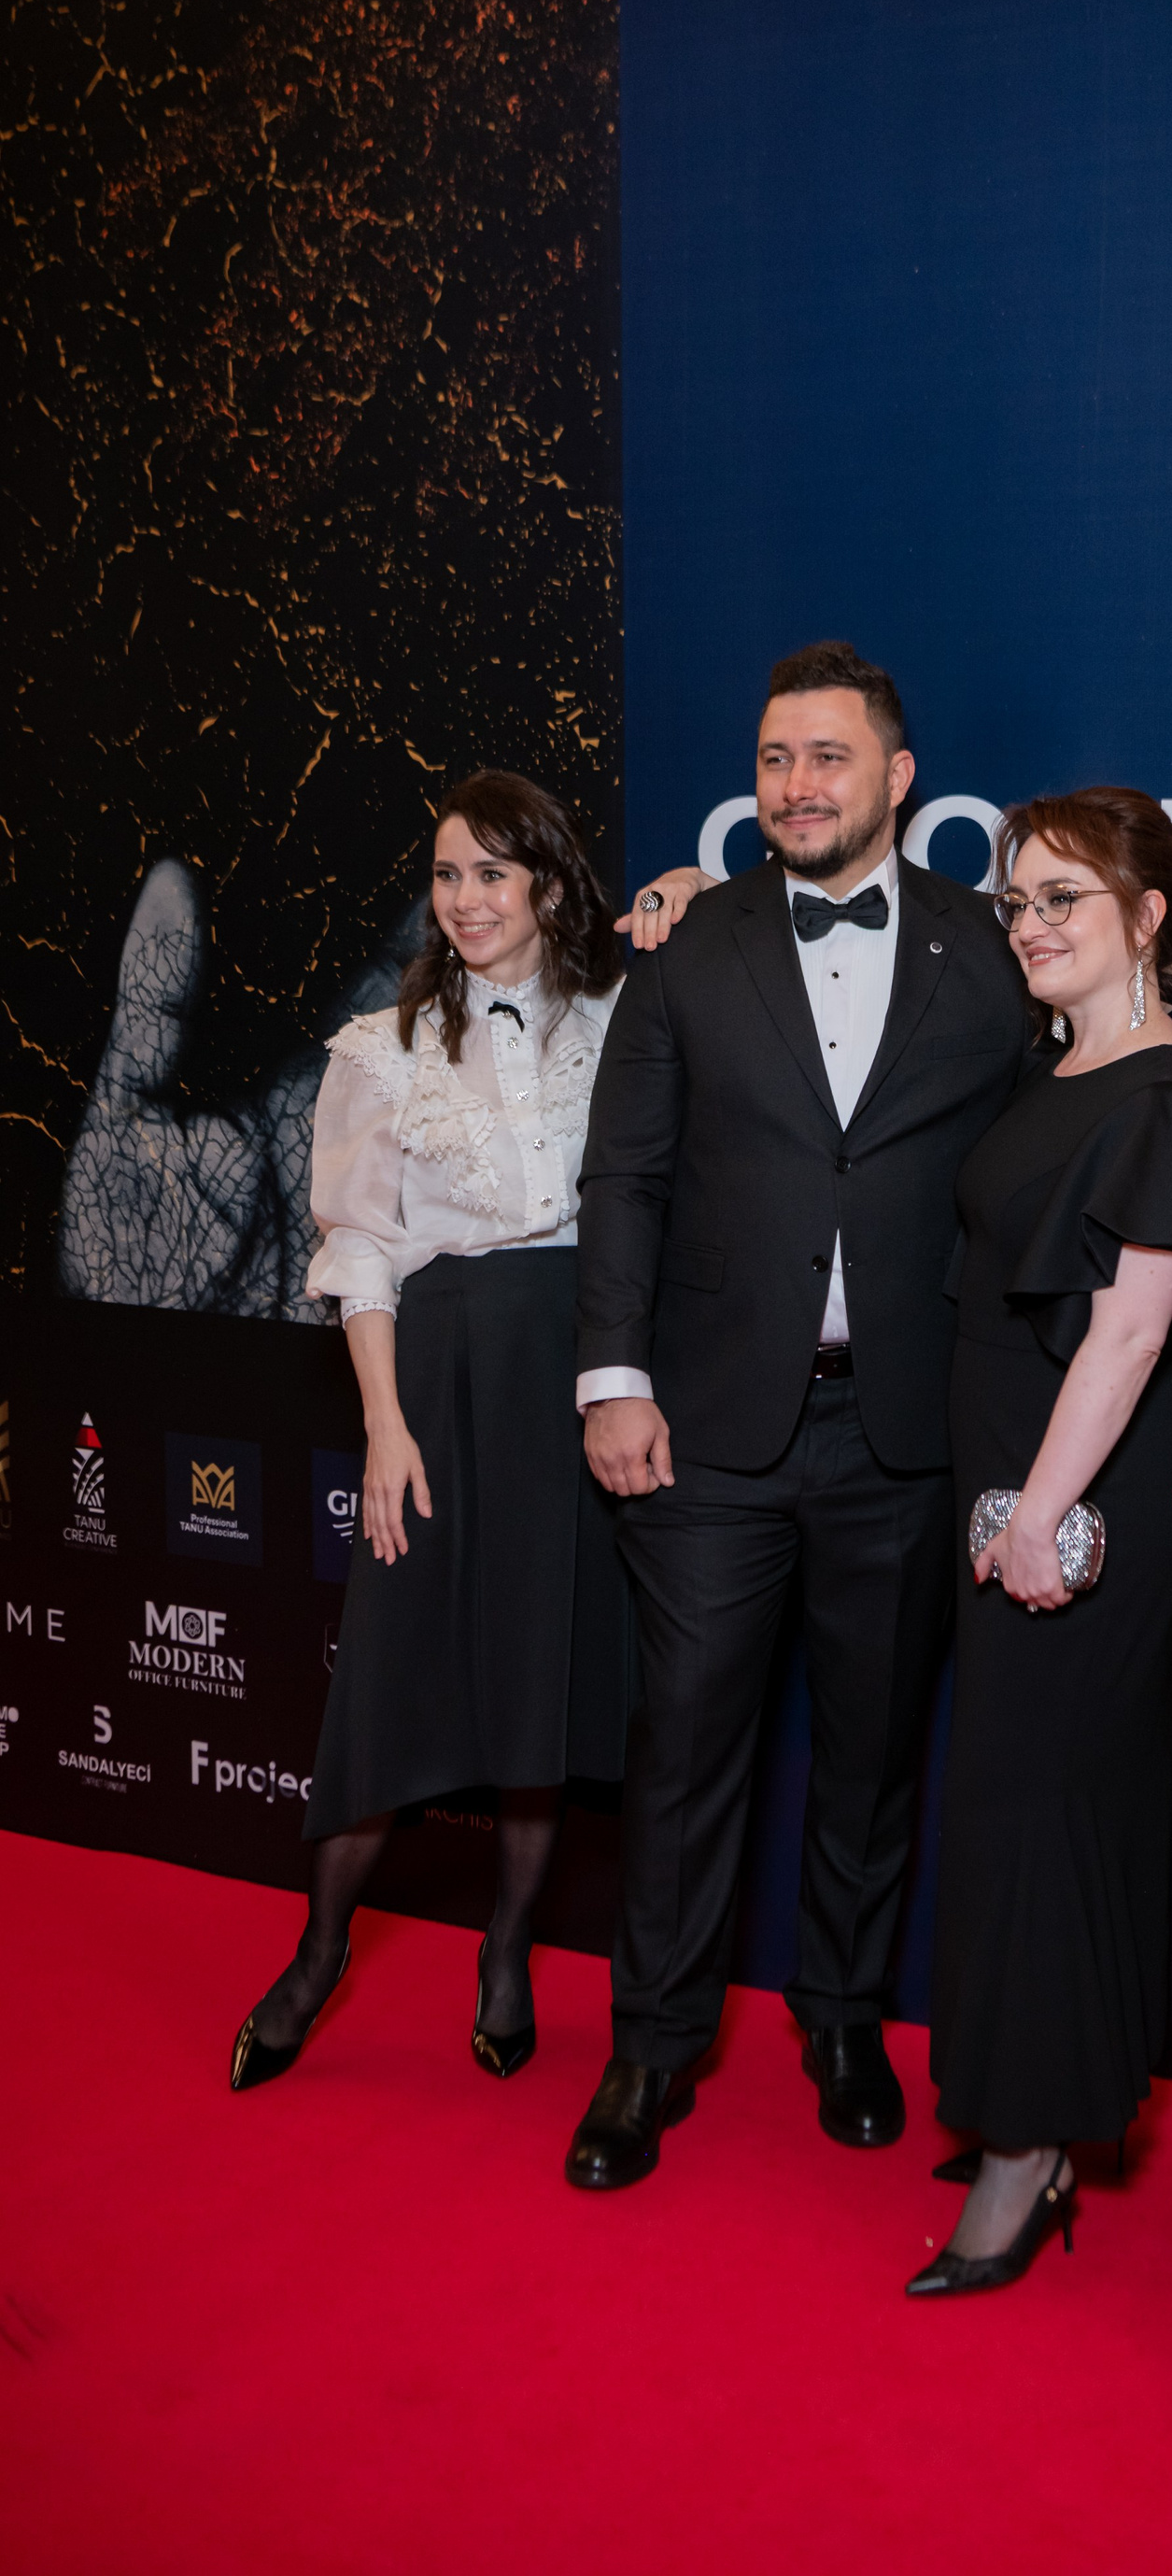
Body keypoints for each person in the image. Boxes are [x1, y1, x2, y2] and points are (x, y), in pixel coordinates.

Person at [564, 641, 1037, 2189]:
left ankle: (842, 2019)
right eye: (774, 759)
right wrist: (615, 1378)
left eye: (828, 757)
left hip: (907, 1432)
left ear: (899, 777)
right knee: (683, 1750)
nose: (796, 785)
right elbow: (625, 1172)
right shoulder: (688, 944)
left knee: (875, 1754)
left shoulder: (990, 949)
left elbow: (1070, 1120)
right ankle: (651, 2046)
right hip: (705, 1429)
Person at [229, 771, 631, 2090]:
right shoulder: (379, 1048)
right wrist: (386, 1429)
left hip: (578, 1373)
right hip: (443, 1383)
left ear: (549, 888)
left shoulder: (619, 1019)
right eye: (448, 874)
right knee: (390, 1686)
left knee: (538, 1677)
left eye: (491, 874)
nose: (464, 899)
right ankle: (317, 1955)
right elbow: (360, 1250)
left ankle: (507, 1954)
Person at [905, 789, 1172, 2296]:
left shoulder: (1165, 1101)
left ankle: (1033, 2148)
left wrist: (1040, 1511)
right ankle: (1025, 2101)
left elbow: (1130, 1334)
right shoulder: (1063, 1068)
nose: (1030, 925)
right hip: (1010, 1482)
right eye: (1019, 902)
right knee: (1009, 1797)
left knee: (1047, 1803)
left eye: (1064, 900)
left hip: (1077, 1503)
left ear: (1147, 919)